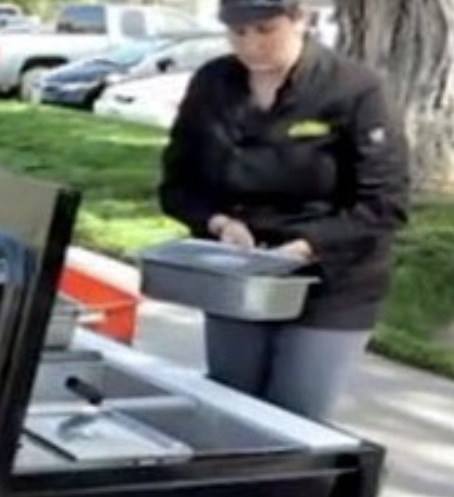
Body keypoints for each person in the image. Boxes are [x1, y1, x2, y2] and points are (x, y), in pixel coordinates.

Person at [158, 0, 410, 422]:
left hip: (332, 277)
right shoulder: (213, 83)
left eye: (264, 30)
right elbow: (178, 185)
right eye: (238, 33)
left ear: (300, 20)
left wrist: (306, 247)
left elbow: (385, 205)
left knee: (295, 414)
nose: (251, 44)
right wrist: (219, 224)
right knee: (230, 407)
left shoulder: (354, 88)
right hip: (241, 271)